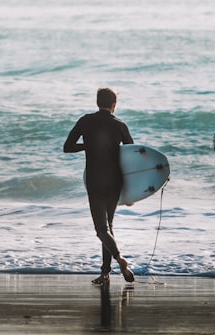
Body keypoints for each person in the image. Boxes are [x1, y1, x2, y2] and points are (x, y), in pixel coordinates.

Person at [64, 87, 136, 284]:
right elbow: (132, 156)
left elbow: (67, 147)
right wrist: (132, 192)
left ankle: (119, 259)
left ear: (97, 102)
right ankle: (105, 273)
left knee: (101, 230)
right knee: (108, 227)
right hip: (115, 182)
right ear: (114, 105)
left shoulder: (85, 121)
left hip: (95, 180)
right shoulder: (120, 124)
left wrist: (88, 145)